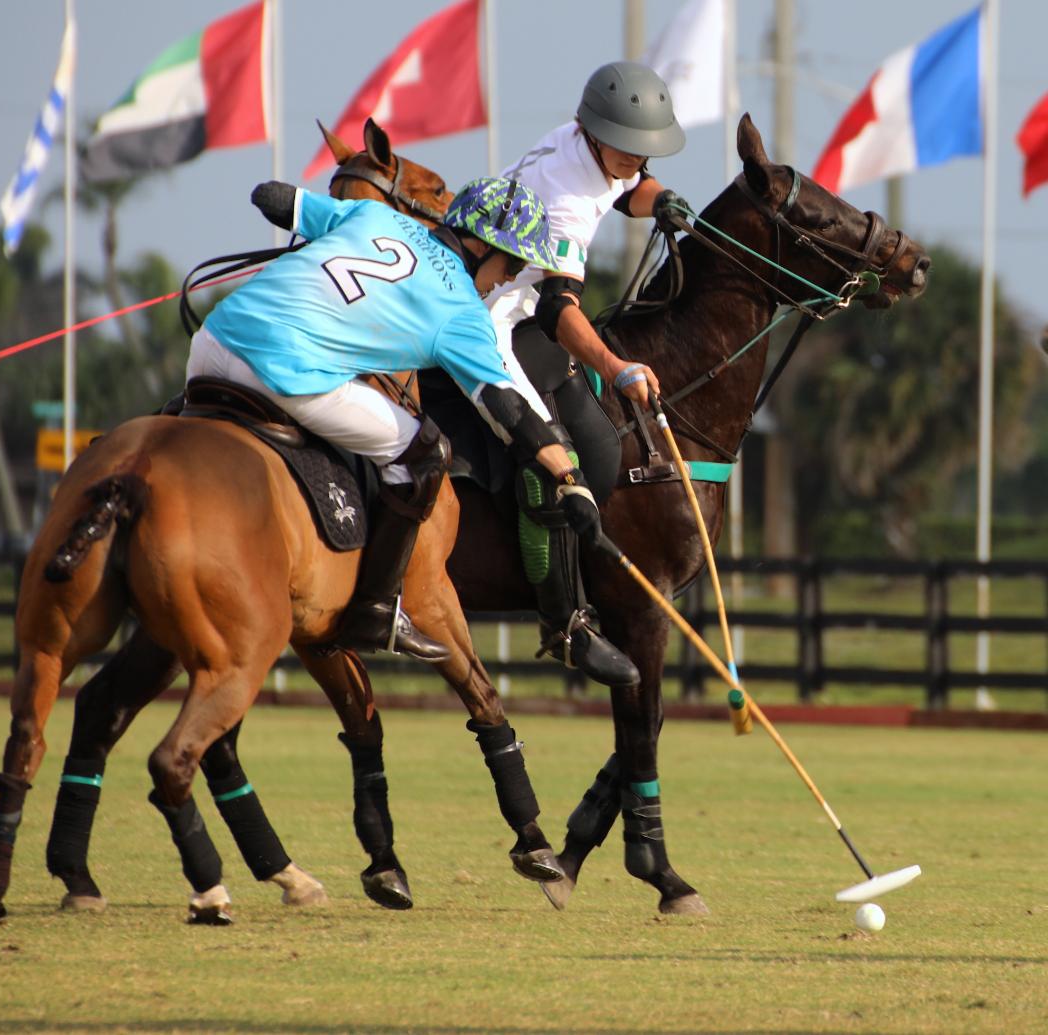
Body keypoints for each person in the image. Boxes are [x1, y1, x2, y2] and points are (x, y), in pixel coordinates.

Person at [187, 176, 612, 664]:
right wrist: (569, 477)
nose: (507, 279)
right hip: (280, 372)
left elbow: (274, 198)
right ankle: (376, 607)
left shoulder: (377, 215)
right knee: (422, 452)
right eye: (513, 263)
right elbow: (508, 407)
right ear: (481, 244)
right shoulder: (462, 314)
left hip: (211, 344)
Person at [481, 61, 691, 688]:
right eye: (627, 146)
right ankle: (565, 625)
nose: (637, 158)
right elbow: (559, 309)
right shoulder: (566, 197)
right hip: (493, 317)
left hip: (524, 308)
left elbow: (629, 187)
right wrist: (617, 365)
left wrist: (663, 201)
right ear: (595, 134)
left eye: (644, 147)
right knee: (555, 461)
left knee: (600, 441)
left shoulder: (585, 144)